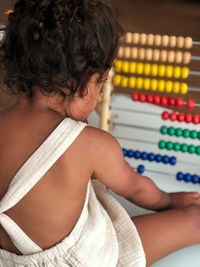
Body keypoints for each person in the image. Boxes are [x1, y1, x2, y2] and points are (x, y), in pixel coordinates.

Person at [0, 0, 200, 266]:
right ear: (86, 86)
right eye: (101, 85)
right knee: (194, 220)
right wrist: (169, 199)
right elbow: (137, 188)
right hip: (83, 260)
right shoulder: (92, 145)